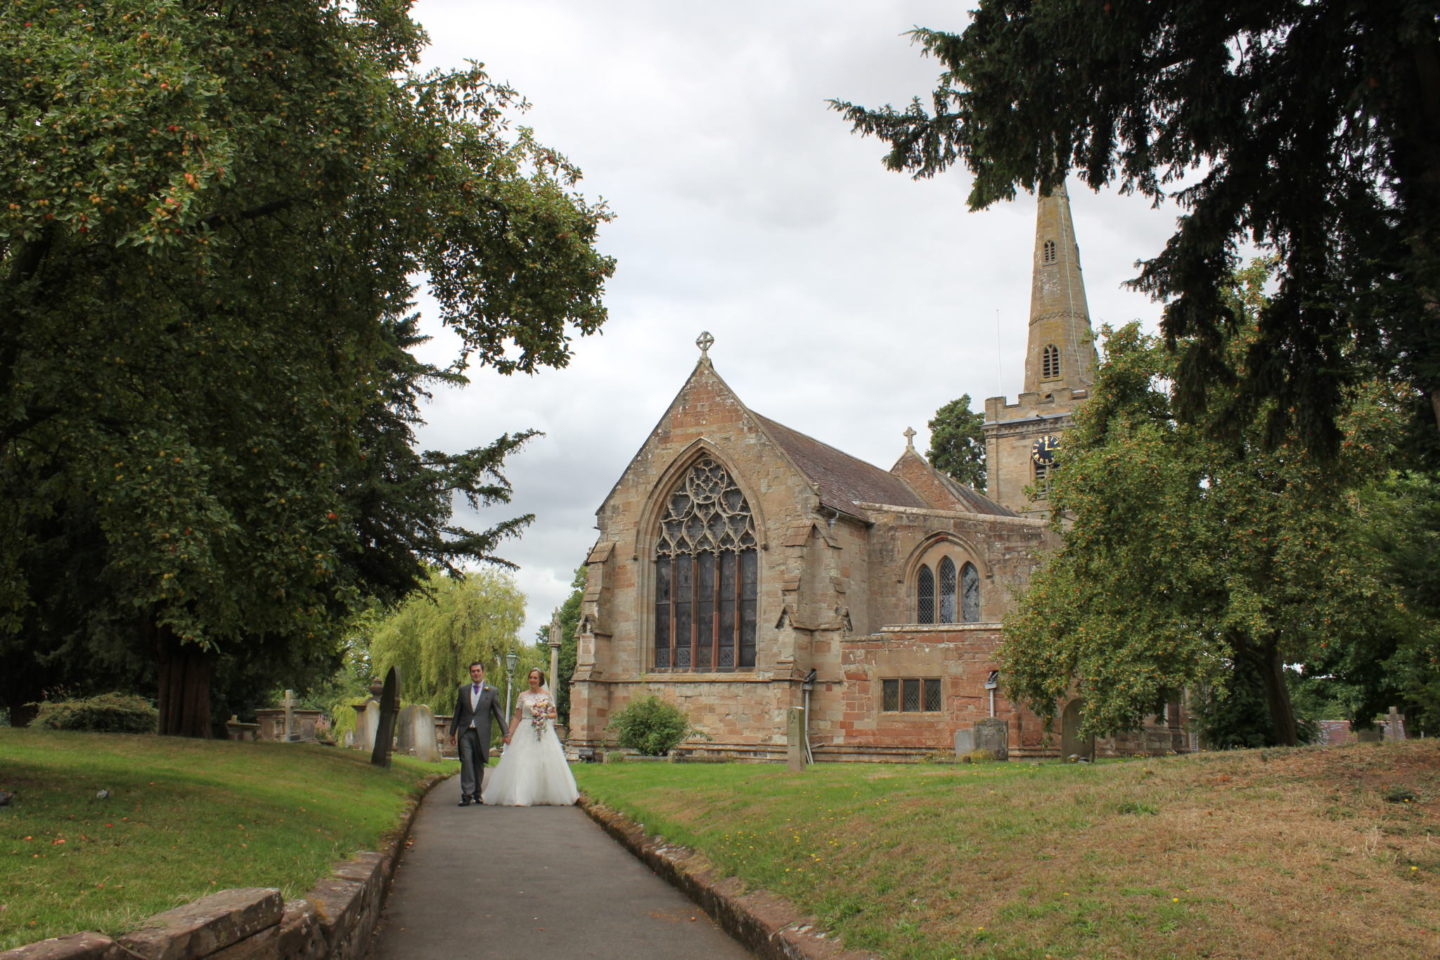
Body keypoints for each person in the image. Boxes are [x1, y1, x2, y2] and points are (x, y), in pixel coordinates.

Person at [481, 667, 579, 806]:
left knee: (545, 762)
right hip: (525, 729)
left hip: (542, 730)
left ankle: (546, 793)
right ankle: (520, 795)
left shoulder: (547, 695)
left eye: (535, 678)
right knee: (522, 761)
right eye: (531, 677)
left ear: (540, 680)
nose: (532, 680)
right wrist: (509, 733)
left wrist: (543, 715)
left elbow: (553, 714)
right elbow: (517, 717)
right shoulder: (522, 696)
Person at [449, 661, 508, 806]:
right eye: (473, 671)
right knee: (467, 761)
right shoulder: (463, 690)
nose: (475, 673)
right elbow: (457, 712)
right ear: (470, 673)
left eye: (478, 671)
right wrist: (452, 732)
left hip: (482, 732)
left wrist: (506, 733)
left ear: (483, 672)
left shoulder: (491, 691)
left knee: (478, 762)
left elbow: (498, 713)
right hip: (465, 731)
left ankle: (477, 792)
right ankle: (466, 794)